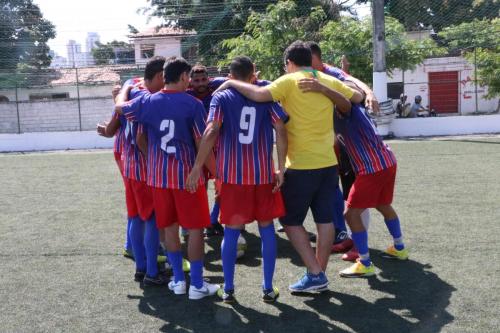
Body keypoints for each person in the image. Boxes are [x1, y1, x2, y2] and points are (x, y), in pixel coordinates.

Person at [215, 41, 363, 292]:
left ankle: (315, 273)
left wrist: (230, 83)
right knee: (325, 221)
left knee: (290, 220)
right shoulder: (326, 80)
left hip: (301, 165)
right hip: (328, 163)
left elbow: (259, 94)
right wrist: (325, 89)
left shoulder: (289, 80)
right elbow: (356, 97)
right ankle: (318, 274)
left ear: (290, 63)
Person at [115, 56, 219, 299]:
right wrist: (209, 171)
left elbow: (123, 113)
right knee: (195, 230)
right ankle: (197, 285)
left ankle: (179, 281)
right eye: (188, 78)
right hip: (187, 178)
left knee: (168, 227)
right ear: (183, 77)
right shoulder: (192, 104)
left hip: (158, 178)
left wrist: (124, 89)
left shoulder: (147, 102)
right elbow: (201, 140)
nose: (190, 83)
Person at [186, 56, 288, 303]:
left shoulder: (221, 97)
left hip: (232, 178)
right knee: (267, 230)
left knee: (231, 233)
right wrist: (281, 167)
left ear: (230, 76)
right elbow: (282, 129)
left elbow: (211, 130)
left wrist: (198, 166)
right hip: (263, 176)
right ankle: (267, 288)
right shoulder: (265, 96)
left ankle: (229, 289)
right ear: (253, 74)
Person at [298, 79, 409, 278]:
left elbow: (344, 101)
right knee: (383, 204)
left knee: (350, 214)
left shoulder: (347, 109)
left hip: (372, 167)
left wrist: (321, 88)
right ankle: (399, 247)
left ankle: (364, 262)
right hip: (387, 161)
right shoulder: (359, 109)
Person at [307, 41, 374, 254]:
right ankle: (349, 238)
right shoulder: (314, 76)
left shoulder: (329, 73)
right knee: (345, 193)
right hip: (337, 143)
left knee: (358, 196)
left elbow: (354, 86)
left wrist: (369, 92)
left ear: (314, 59)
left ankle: (361, 246)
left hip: (354, 144)